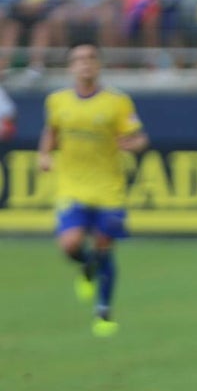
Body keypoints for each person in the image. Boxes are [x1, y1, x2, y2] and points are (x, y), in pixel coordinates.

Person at [38, 41, 150, 337]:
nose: (85, 63)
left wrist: (131, 144)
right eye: (79, 59)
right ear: (71, 67)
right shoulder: (57, 101)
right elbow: (51, 132)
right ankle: (87, 268)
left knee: (104, 245)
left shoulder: (117, 102)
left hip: (108, 188)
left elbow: (140, 139)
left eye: (90, 58)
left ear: (98, 64)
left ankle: (103, 311)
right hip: (71, 186)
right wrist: (45, 154)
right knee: (70, 244)